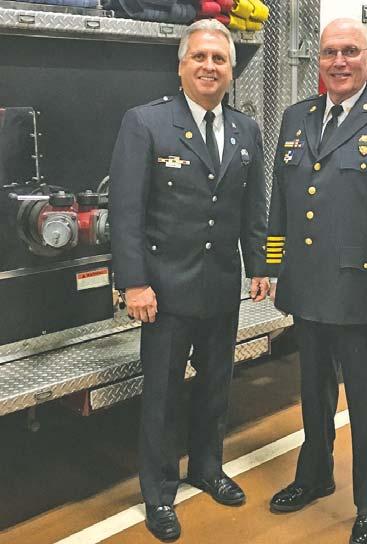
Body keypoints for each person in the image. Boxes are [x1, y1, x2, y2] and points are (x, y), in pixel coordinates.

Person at [266, 18, 367, 544]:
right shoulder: (296, 118)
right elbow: (282, 200)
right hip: (309, 289)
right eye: (329, 52)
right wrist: (276, 268)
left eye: (350, 52)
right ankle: (314, 476)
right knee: (313, 396)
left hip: (366, 299)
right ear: (318, 60)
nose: (338, 62)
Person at [109, 19, 269, 542]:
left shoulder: (246, 130)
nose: (209, 67)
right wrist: (134, 283)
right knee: (161, 396)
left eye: (219, 59)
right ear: (181, 66)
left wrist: (259, 265)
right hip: (164, 291)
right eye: (199, 57)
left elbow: (252, 207)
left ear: (231, 71)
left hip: (221, 286)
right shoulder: (146, 123)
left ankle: (207, 467)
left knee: (216, 386)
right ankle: (159, 492)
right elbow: (126, 212)